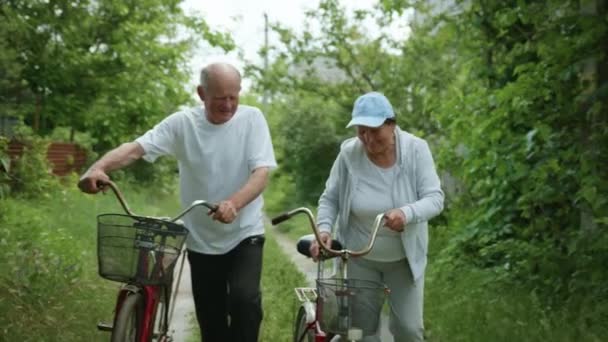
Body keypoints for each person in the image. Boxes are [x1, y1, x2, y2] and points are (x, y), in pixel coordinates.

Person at [78, 62, 277, 342]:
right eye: (221, 97)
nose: (229, 104)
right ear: (201, 93)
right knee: (211, 319)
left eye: (234, 96)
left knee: (245, 302)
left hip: (244, 233)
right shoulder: (183, 124)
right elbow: (136, 149)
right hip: (201, 239)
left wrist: (234, 203)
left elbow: (261, 173)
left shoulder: (252, 119)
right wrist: (98, 168)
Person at [310, 92, 444, 342]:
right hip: (361, 259)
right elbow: (330, 198)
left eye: (374, 130)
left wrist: (407, 213)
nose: (368, 139)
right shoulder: (349, 154)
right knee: (362, 333)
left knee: (409, 329)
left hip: (403, 260)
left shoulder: (416, 150)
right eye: (362, 131)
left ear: (391, 125)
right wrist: (324, 229)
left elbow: (435, 198)